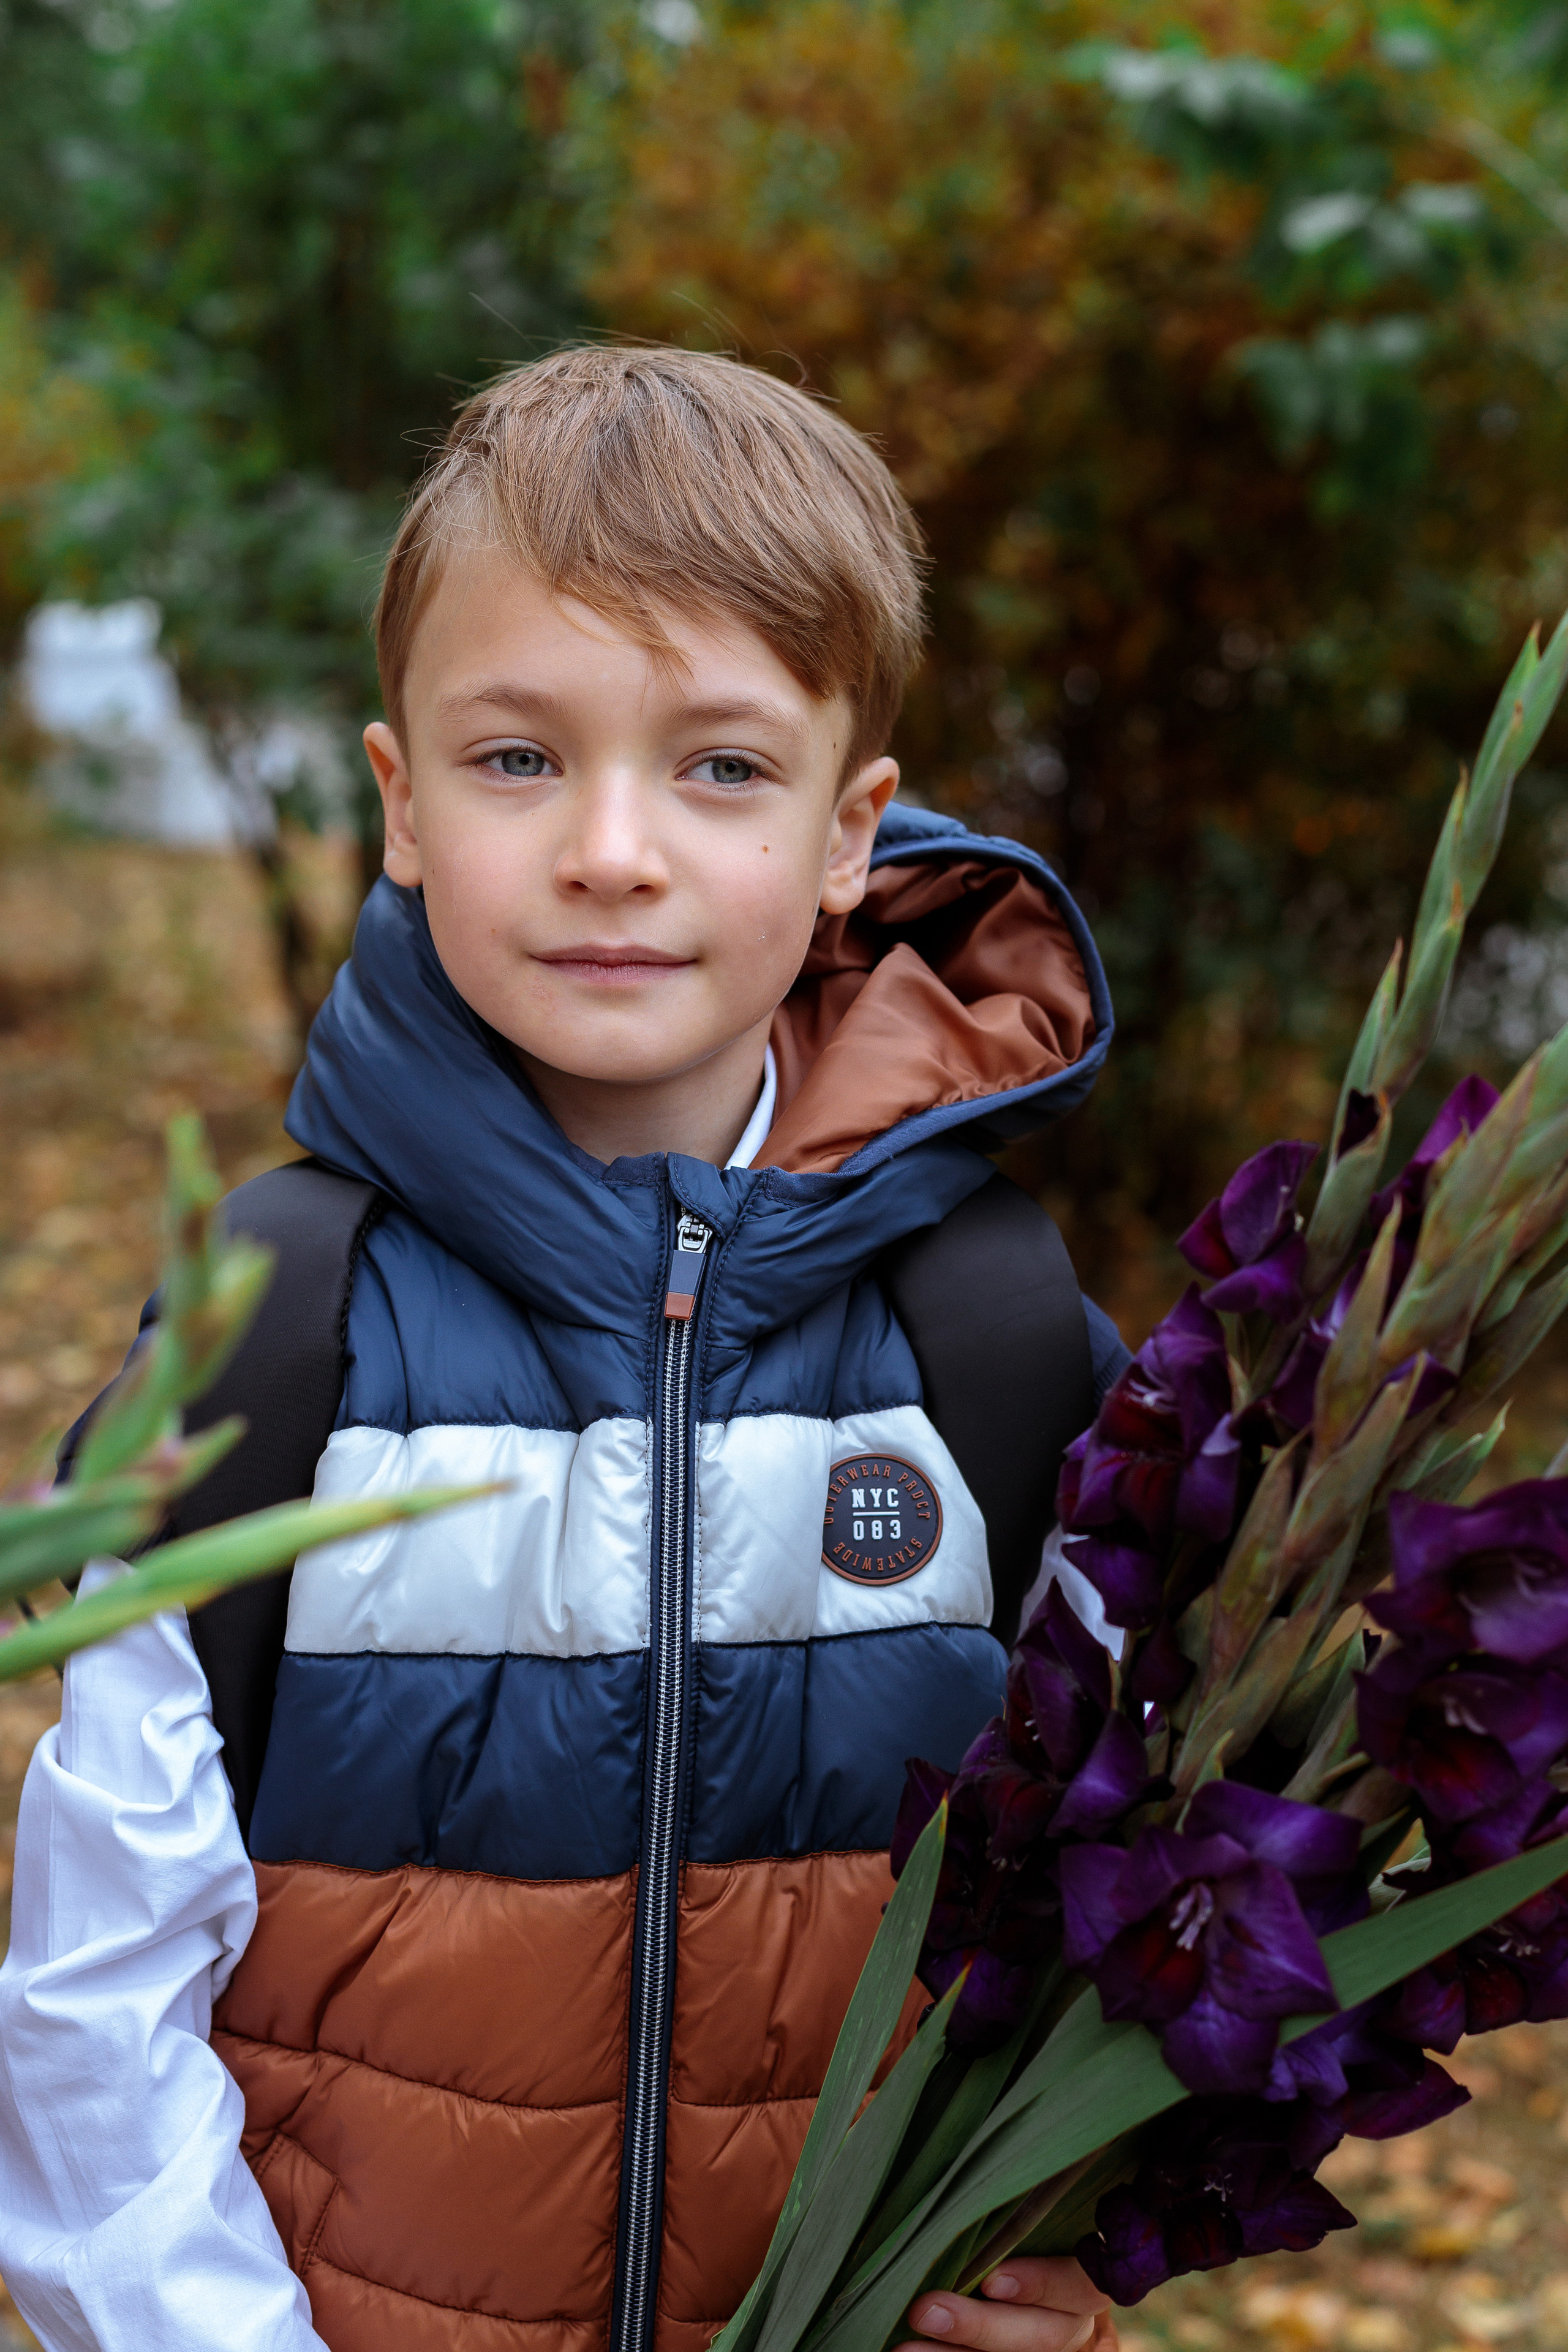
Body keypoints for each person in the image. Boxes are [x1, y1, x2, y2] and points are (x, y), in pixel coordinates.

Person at [0, 347, 1128, 2352]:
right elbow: (98, 2003)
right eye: (520, 759)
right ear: (403, 803)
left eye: (721, 767)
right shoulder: (275, 1341)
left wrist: (1067, 2244)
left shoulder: (998, 1346)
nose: (615, 849)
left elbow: (1124, 1901)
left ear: (853, 827)